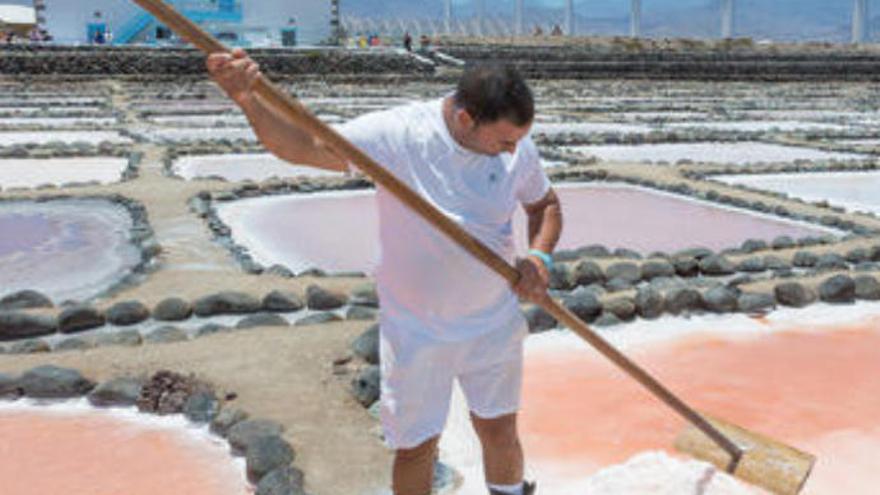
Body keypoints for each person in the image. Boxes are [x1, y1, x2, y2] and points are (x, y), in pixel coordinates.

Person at [206, 49, 562, 495]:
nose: (513, 151)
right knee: (416, 446)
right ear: (466, 119)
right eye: (504, 142)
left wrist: (538, 258)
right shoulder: (400, 133)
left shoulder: (517, 146)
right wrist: (248, 99)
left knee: (499, 430)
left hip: (492, 322)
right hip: (417, 330)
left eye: (517, 141)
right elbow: (304, 147)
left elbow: (544, 204)